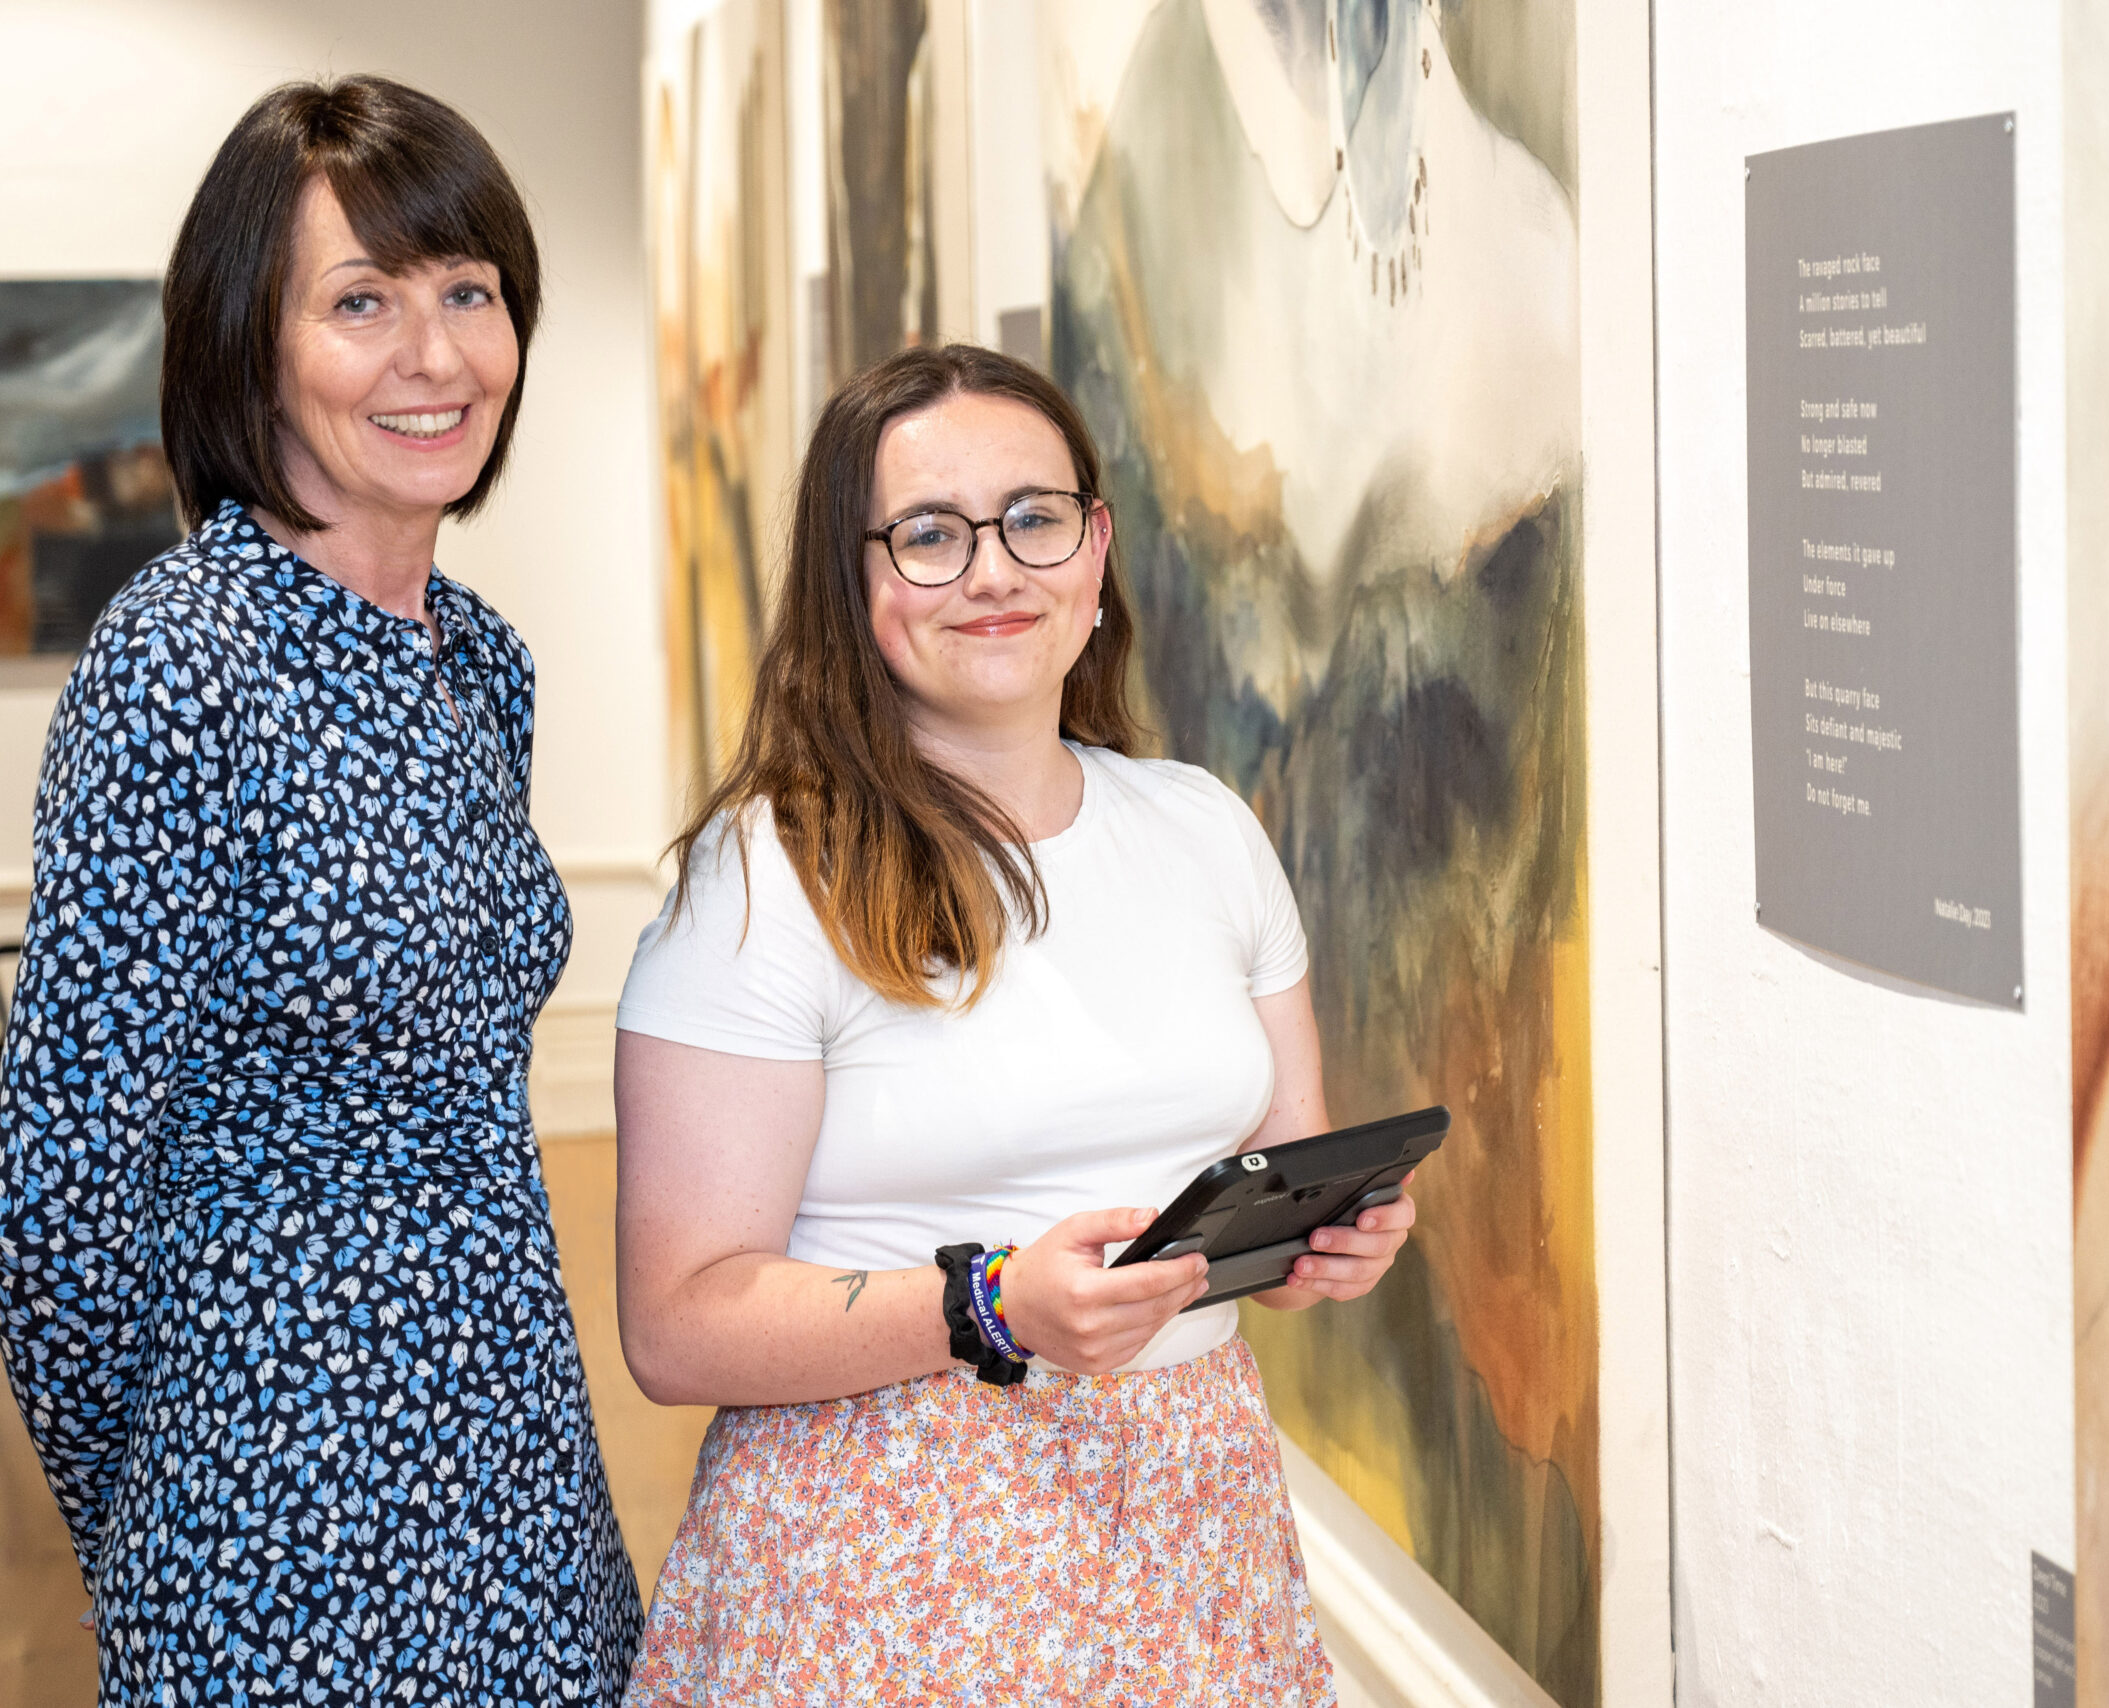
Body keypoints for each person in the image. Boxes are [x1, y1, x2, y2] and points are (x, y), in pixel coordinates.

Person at [615, 343, 1416, 1705]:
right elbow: (678, 1325)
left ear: (1095, 551)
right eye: (929, 536)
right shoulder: (764, 882)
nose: (993, 572)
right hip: (881, 1552)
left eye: (1033, 520)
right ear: (852, 581)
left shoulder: (1206, 831)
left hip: (1189, 1528)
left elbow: (1280, 1172)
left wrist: (1324, 1241)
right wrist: (993, 1302)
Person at [0, 77, 641, 1704]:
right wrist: (158, 1508)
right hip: (275, 1499)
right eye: (361, 302)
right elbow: (62, 1183)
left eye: (468, 294)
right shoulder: (181, 656)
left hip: (509, 1454)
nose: (435, 357)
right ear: (251, 344)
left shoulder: (480, 660)